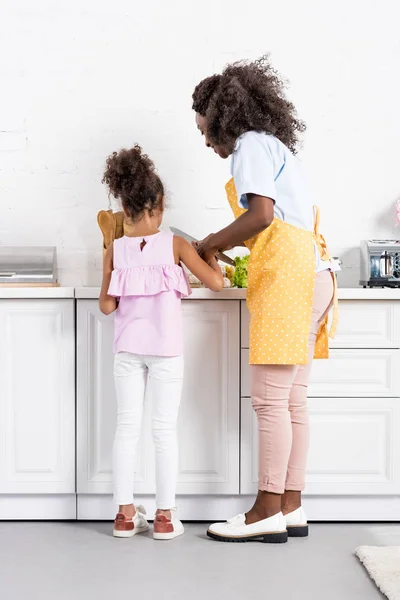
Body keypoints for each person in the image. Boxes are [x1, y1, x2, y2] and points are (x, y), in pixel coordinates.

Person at [192, 56, 338, 543]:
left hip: (290, 276)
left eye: (206, 130)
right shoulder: (273, 146)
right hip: (315, 273)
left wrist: (211, 242)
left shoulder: (250, 145)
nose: (206, 141)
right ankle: (291, 506)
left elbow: (260, 216)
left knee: (269, 401)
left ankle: (264, 511)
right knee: (293, 400)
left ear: (223, 119)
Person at [99, 145, 223, 540]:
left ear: (124, 205)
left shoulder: (114, 250)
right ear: (160, 206)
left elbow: (106, 305)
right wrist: (213, 254)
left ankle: (123, 515)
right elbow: (216, 283)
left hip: (126, 350)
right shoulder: (175, 245)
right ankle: (165, 518)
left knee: (126, 427)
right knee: (163, 430)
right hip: (166, 352)